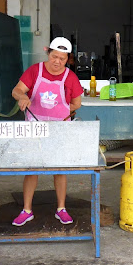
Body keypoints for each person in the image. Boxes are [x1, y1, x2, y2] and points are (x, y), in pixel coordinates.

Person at [10, 36, 83, 226]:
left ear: (68, 59)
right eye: (54, 57)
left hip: (60, 128)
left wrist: (64, 114)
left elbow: (76, 103)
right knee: (32, 168)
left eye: (63, 59)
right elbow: (16, 90)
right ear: (47, 52)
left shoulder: (71, 77)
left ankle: (61, 209)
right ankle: (26, 210)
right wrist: (22, 97)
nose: (57, 62)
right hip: (34, 126)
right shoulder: (35, 71)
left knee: (59, 168)